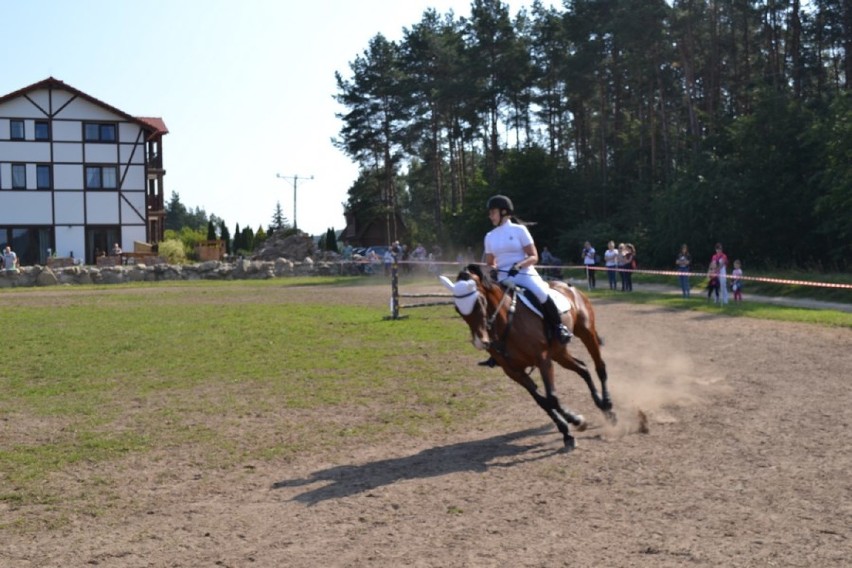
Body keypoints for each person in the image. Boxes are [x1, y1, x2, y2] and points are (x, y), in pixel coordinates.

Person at [483, 195, 572, 346]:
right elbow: (491, 262)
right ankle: (494, 342)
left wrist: (518, 266)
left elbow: (533, 256)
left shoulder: (519, 230)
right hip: (503, 278)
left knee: (541, 293)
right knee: (490, 303)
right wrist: (492, 270)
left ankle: (559, 327)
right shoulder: (490, 236)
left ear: (504, 212)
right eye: (490, 213)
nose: (490, 216)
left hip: (524, 273)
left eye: (493, 212)